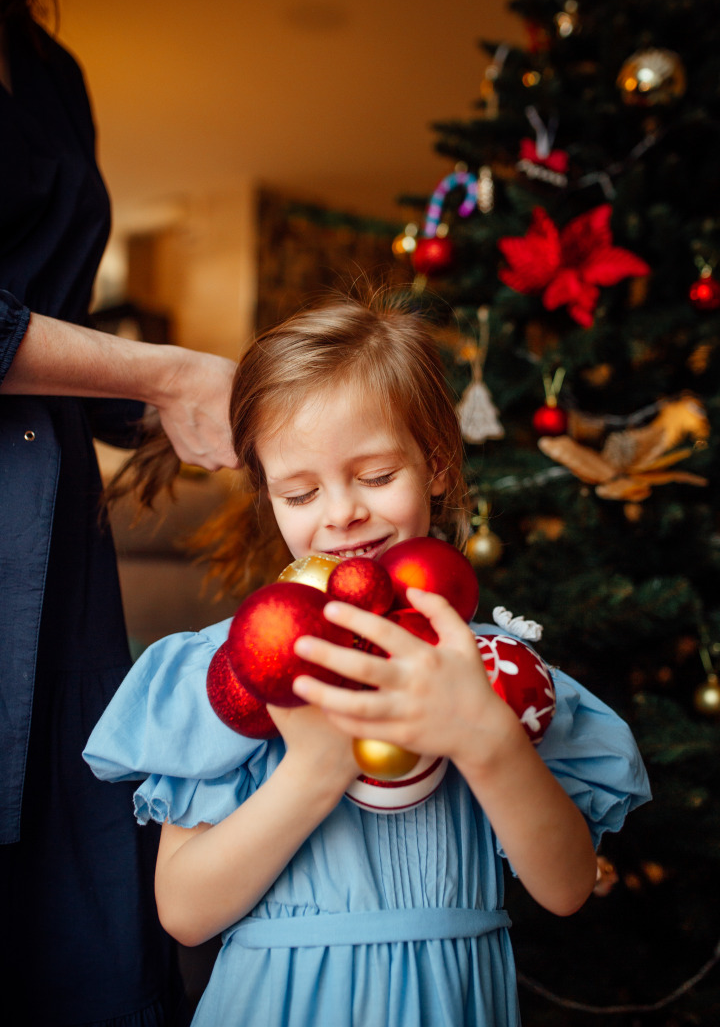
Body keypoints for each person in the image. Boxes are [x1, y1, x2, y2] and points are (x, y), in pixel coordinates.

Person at [84, 293, 651, 1027]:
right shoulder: (237, 672)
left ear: (438, 467)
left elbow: (567, 887)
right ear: (269, 499)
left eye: (377, 477)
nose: (342, 512)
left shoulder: (499, 672)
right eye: (300, 491)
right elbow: (185, 914)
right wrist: (315, 769)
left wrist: (487, 741)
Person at [0, 0, 238, 1023]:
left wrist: (257, 407)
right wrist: (171, 370)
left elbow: (61, 335)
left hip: (59, 558)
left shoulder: (51, 70)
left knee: (75, 885)